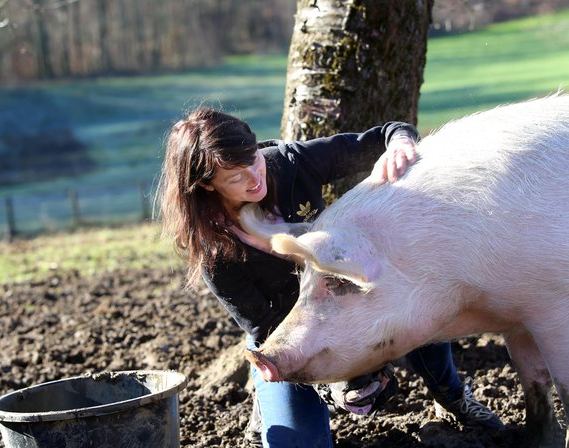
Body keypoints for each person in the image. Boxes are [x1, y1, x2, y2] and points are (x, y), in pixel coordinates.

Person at [156, 108, 503, 448]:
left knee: (416, 305)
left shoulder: (288, 163)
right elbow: (264, 325)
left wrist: (399, 146)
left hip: (344, 294)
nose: (255, 178)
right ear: (206, 184)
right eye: (235, 177)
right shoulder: (215, 252)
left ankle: (453, 396)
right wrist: (335, 378)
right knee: (295, 441)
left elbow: (387, 133)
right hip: (286, 330)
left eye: (253, 159)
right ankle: (267, 403)